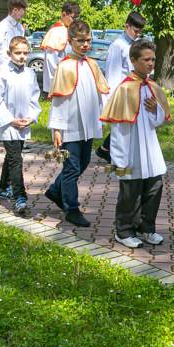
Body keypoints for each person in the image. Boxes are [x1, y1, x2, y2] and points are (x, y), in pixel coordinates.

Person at [100, 39, 169, 248]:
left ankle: (146, 228)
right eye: (146, 60)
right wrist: (119, 159)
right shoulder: (125, 89)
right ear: (133, 60)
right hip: (130, 149)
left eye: (153, 60)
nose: (151, 64)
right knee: (130, 191)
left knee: (154, 186)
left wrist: (154, 109)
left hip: (150, 148)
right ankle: (123, 230)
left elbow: (157, 121)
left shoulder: (152, 87)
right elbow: (119, 128)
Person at [44, 19, 109, 227]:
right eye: (80, 40)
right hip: (70, 125)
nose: (85, 44)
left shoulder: (91, 64)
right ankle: (71, 208)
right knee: (71, 167)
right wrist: (57, 128)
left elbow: (99, 93)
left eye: (88, 40)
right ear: (70, 41)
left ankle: (55, 190)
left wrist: (102, 116)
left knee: (83, 163)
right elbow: (59, 100)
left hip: (87, 124)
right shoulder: (65, 66)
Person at [0, 35, 41, 214]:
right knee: (16, 159)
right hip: (8, 124)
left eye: (25, 53)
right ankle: (20, 196)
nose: (22, 56)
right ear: (9, 53)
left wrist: (31, 117)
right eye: (18, 53)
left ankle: (3, 186)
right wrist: (10, 120)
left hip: (23, 123)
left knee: (13, 156)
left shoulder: (30, 73)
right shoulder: (2, 74)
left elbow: (34, 98)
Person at [95, 11, 145, 162]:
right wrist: (112, 99)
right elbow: (113, 74)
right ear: (127, 26)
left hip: (135, 91)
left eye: (140, 32)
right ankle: (115, 156)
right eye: (135, 31)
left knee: (130, 125)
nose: (137, 34)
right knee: (121, 127)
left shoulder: (136, 44)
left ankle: (106, 150)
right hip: (122, 93)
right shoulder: (118, 46)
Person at [0, 0, 28, 141]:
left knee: (16, 101)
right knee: (2, 101)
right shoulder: (2, 27)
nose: (23, 14)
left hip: (18, 71)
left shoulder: (19, 27)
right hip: (4, 71)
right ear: (15, 10)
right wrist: (7, 64)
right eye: (22, 10)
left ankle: (13, 134)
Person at [40, 1, 79, 94]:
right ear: (64, 14)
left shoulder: (67, 29)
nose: (74, 21)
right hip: (60, 83)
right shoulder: (56, 31)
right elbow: (51, 62)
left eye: (76, 18)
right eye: (73, 18)